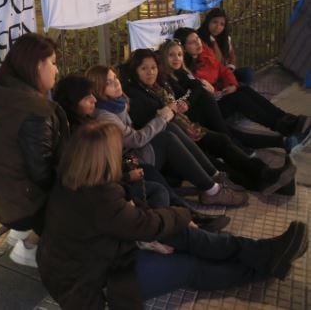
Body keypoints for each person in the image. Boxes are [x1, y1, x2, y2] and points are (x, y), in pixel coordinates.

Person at [36, 121, 309, 309]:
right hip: (93, 286)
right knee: (189, 267)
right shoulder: (96, 194)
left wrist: (157, 231)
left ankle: (266, 251)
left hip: (104, 254)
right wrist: (179, 214)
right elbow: (142, 223)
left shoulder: (79, 181)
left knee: (183, 234)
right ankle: (263, 267)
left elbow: (130, 218)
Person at [53, 74, 230, 231]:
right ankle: (191, 215)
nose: (93, 99)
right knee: (158, 167)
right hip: (118, 176)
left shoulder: (107, 109)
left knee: (168, 133)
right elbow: (101, 168)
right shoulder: (87, 129)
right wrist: (127, 175)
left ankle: (206, 189)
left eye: (116, 78)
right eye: (86, 98)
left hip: (124, 164)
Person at [121, 48, 295, 195]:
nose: (150, 72)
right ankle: (260, 181)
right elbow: (151, 123)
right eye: (144, 69)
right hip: (168, 141)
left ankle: (268, 176)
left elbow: (189, 91)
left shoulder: (157, 85)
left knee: (222, 140)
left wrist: (182, 107)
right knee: (213, 159)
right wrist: (174, 115)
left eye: (153, 67)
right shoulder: (135, 94)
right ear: (135, 70)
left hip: (184, 128)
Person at [0, 33, 68, 268]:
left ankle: (24, 233)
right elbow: (42, 173)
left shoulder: (7, 91)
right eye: (53, 63)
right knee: (79, 193)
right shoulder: (34, 111)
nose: (57, 70)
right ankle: (31, 244)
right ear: (36, 65)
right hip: (16, 203)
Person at [85, 65, 248, 207]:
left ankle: (214, 177)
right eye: (108, 82)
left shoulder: (117, 102)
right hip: (128, 162)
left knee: (170, 128)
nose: (116, 83)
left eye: (115, 78)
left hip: (134, 152)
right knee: (166, 137)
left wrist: (164, 118)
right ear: (98, 88)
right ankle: (212, 191)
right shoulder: (105, 115)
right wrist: (162, 117)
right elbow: (135, 139)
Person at [158, 38, 294, 153]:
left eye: (179, 55)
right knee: (229, 130)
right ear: (164, 56)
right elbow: (196, 88)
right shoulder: (165, 78)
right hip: (197, 116)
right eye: (171, 55)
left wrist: (189, 100)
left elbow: (199, 85)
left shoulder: (181, 72)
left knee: (241, 94)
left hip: (206, 108)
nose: (176, 58)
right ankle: (279, 134)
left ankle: (282, 136)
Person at [175, 27, 310, 141]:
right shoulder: (185, 69)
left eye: (198, 39)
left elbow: (222, 69)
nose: (198, 44)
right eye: (192, 42)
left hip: (219, 93)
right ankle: (283, 127)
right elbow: (200, 92)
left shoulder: (204, 52)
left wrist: (232, 84)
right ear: (184, 48)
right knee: (238, 98)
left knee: (242, 88)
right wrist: (214, 91)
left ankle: (287, 119)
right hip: (211, 108)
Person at [198, 8, 255, 86]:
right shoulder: (199, 39)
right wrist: (213, 42)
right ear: (208, 22)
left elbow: (232, 56)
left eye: (222, 24)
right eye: (215, 22)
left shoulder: (225, 38)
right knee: (241, 87)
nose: (218, 27)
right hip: (211, 75)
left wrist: (231, 67)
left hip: (225, 72)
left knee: (248, 73)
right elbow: (218, 60)